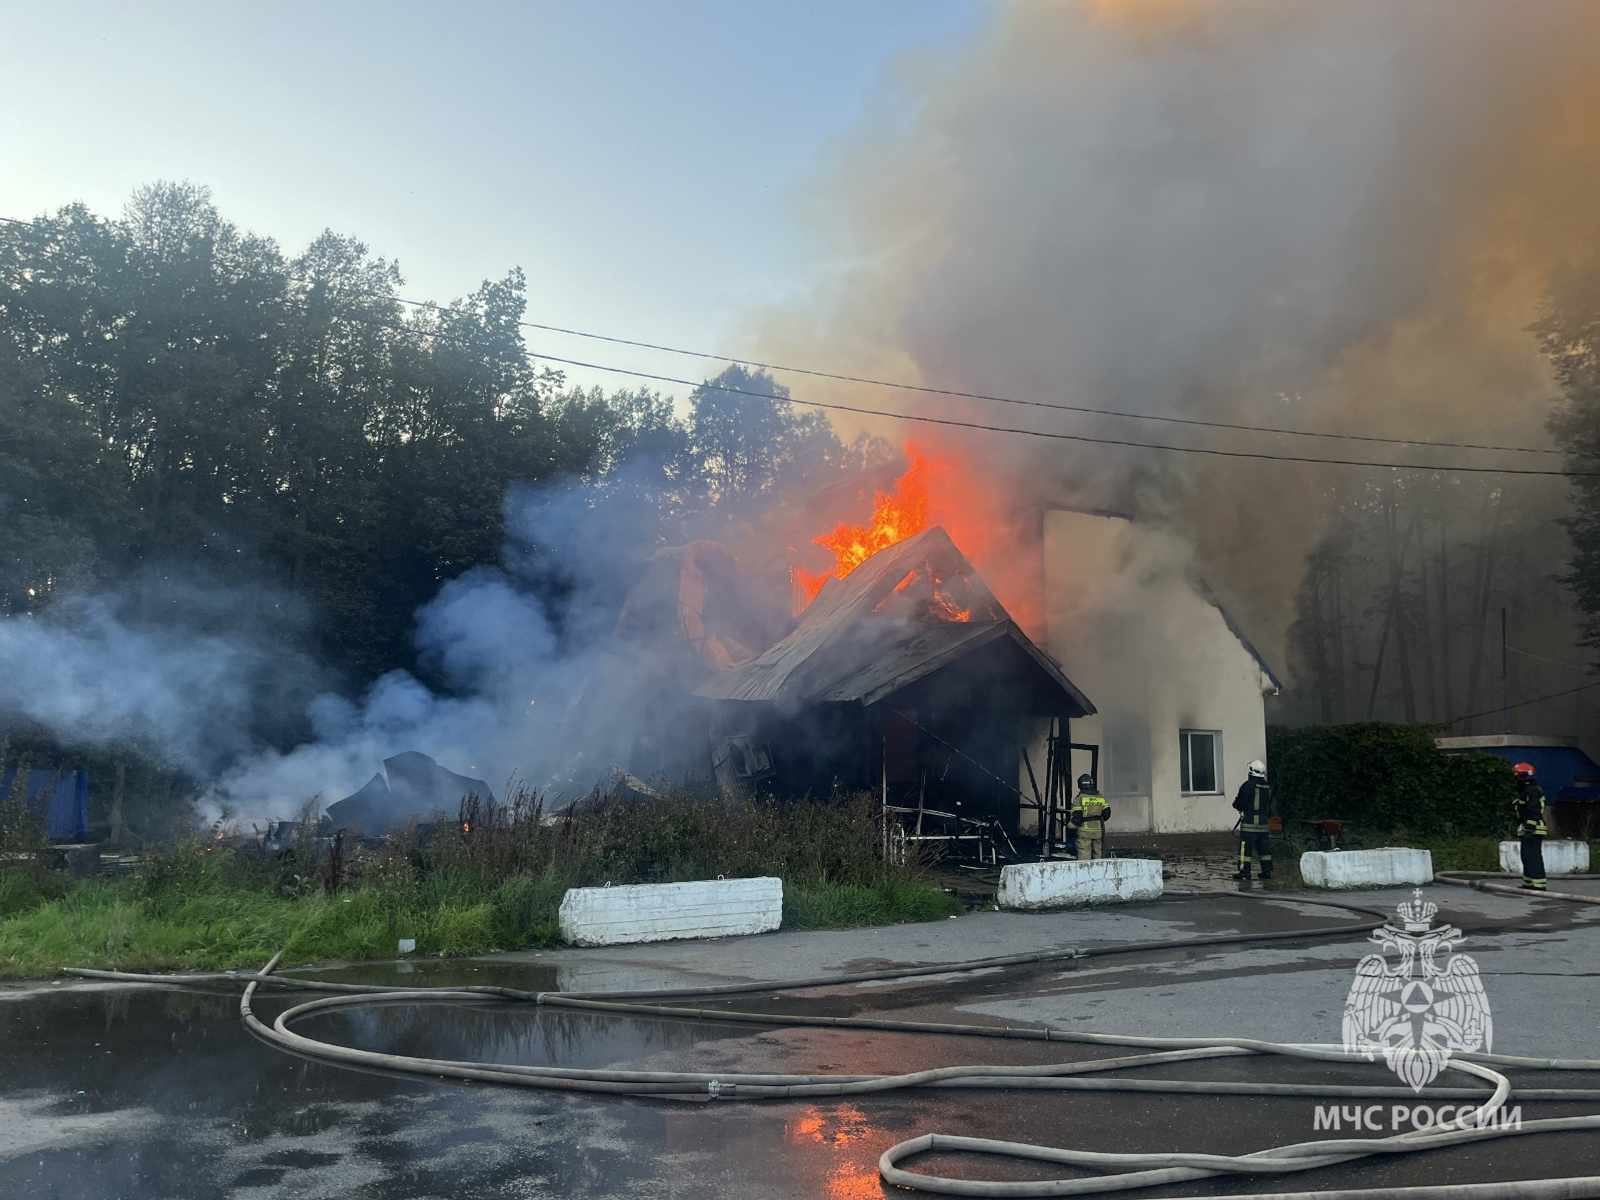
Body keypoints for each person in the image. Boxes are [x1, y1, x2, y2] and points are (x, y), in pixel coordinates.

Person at [1232, 760, 1275, 881]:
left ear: (1251, 772)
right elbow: (1269, 806)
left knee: (1245, 848)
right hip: (1263, 824)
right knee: (1264, 849)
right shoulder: (1267, 787)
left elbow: (1240, 803)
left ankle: (1245, 872)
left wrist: (1236, 804)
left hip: (1250, 824)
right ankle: (1266, 872)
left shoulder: (1248, 785)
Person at [1511, 762, 1548, 891]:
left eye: (1516, 775)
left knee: (1533, 856)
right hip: (1528, 828)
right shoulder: (1528, 790)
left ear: (1522, 776)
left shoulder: (1531, 791)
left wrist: (1529, 828)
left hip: (1534, 828)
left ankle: (1539, 885)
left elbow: (1532, 811)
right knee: (1526, 856)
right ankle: (1528, 883)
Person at [1070, 774, 1110, 861]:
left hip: (1084, 831)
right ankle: (1098, 871)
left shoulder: (1080, 798)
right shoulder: (1101, 797)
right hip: (1098, 831)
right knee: (1097, 853)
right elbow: (1107, 814)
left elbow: (1077, 815)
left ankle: (1085, 872)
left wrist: (1070, 827)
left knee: (1084, 852)